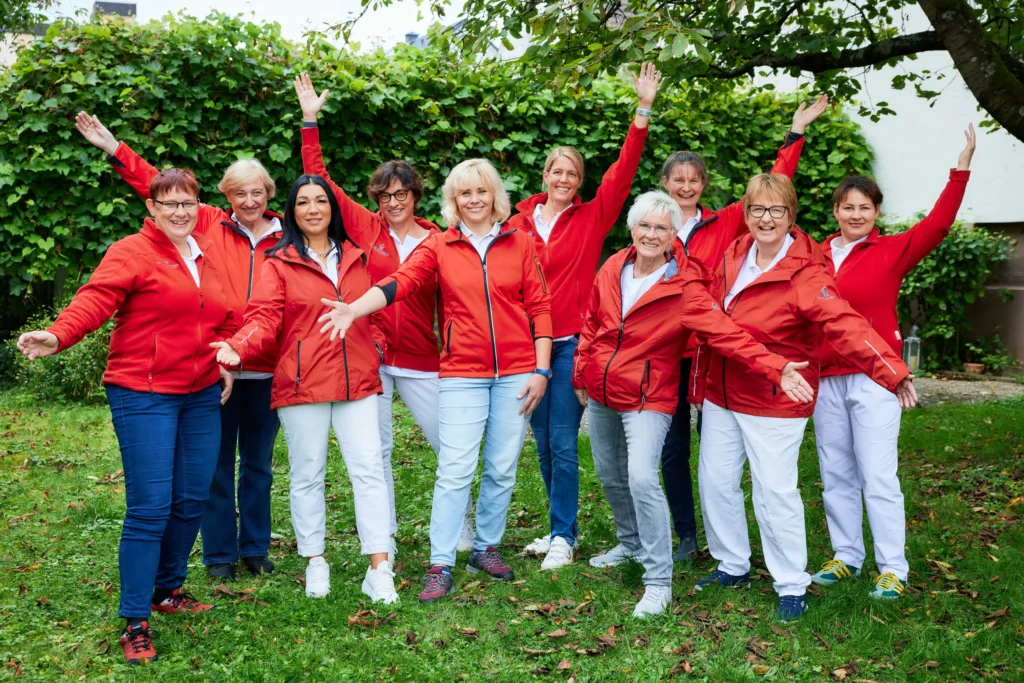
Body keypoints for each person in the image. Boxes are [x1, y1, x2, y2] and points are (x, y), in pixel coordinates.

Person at [18, 169, 236, 665]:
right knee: (151, 506)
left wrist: (227, 354)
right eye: (169, 204)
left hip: (200, 390)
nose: (180, 212)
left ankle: (167, 590)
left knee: (192, 497)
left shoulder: (205, 251)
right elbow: (95, 300)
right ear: (152, 209)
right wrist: (58, 335)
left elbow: (222, 314)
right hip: (143, 392)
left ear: (197, 206)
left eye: (188, 203)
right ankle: (137, 619)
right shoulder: (131, 252)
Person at [317, 158, 552, 603]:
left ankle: (485, 547)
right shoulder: (439, 245)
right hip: (462, 371)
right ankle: (441, 562)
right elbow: (398, 282)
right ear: (453, 201)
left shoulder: (520, 242)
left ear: (494, 196)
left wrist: (541, 371)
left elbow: (539, 306)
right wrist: (353, 309)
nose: (474, 200)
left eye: (481, 191)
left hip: (518, 373)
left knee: (502, 468)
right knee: (455, 469)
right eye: (465, 193)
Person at [571, 191, 814, 617]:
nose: (651, 234)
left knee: (642, 478)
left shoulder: (685, 285)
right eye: (644, 225)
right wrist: (581, 372)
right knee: (611, 476)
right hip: (604, 391)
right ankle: (630, 544)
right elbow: (591, 323)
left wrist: (775, 367)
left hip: (650, 395)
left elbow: (725, 333)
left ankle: (657, 581)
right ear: (632, 229)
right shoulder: (613, 266)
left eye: (661, 228)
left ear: (673, 235)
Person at [690, 173, 918, 621]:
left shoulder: (806, 272)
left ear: (791, 215)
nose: (766, 218)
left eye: (776, 210)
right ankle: (733, 563)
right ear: (747, 213)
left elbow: (844, 322)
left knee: (774, 493)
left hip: (776, 394)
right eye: (757, 209)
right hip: (721, 390)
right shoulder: (736, 252)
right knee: (715, 483)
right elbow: (709, 312)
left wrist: (891, 370)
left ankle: (791, 584)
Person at [75, 113, 282, 582]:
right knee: (210, 468)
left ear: (269, 195)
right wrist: (115, 149)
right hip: (210, 366)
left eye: (258, 192)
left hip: (266, 362)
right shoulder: (207, 223)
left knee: (258, 464)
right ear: (225, 198)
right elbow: (164, 192)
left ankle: (254, 548)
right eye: (238, 193)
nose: (249, 201)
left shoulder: (286, 234)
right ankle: (218, 557)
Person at [291, 74, 474, 557]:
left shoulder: (439, 239)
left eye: (402, 195)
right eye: (385, 197)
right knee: (378, 452)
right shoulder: (365, 227)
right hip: (371, 355)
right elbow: (322, 183)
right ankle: (383, 537)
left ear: (416, 195)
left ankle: (461, 531)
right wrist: (310, 121)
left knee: (447, 447)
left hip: (422, 356)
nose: (393, 204)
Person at [657, 95, 829, 562]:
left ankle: (746, 556)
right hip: (669, 350)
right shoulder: (654, 224)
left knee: (723, 457)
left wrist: (794, 135)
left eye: (694, 180)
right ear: (666, 186)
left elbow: (772, 196)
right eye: (678, 180)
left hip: (721, 351)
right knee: (677, 453)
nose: (686, 187)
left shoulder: (728, 222)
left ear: (704, 186)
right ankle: (690, 535)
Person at [212, 175, 398, 604]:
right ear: (292, 213)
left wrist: (378, 344)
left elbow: (382, 307)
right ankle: (316, 561)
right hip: (303, 384)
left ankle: (379, 567)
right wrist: (237, 347)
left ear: (332, 207)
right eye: (302, 203)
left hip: (359, 384)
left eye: (320, 201)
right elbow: (263, 317)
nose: (313, 209)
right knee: (307, 475)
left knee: (369, 472)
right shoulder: (279, 262)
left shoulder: (360, 255)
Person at [810, 125, 976, 599]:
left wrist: (960, 169)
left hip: (875, 378)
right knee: (835, 472)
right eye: (848, 207)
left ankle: (892, 567)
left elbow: (939, 225)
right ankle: (846, 557)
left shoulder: (891, 250)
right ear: (837, 211)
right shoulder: (815, 255)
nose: (856, 214)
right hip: (826, 377)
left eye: (865, 207)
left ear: (876, 212)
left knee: (877, 473)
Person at [507, 63, 661, 571]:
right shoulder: (519, 222)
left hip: (572, 341)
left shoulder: (593, 216)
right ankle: (558, 529)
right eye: (557, 171)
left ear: (579, 183)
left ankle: (564, 539)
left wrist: (641, 113)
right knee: (542, 445)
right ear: (545, 175)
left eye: (573, 174)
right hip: (527, 346)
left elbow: (623, 172)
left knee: (560, 441)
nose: (564, 179)